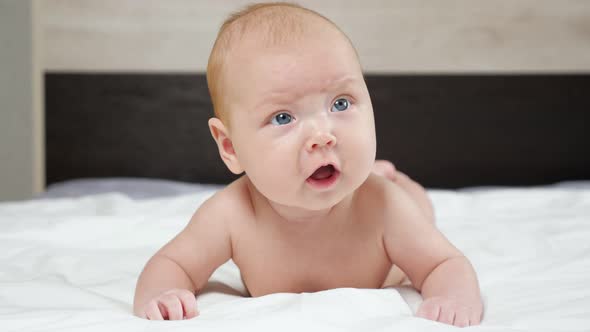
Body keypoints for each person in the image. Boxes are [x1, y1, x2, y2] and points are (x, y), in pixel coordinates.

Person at [133, 2, 483, 327]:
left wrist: (450, 296)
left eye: (341, 104)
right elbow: (172, 264)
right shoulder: (231, 215)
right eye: (283, 117)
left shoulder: (384, 206)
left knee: (414, 202)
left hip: (390, 198)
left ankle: (389, 174)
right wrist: (164, 293)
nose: (322, 134)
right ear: (230, 147)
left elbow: (444, 263)